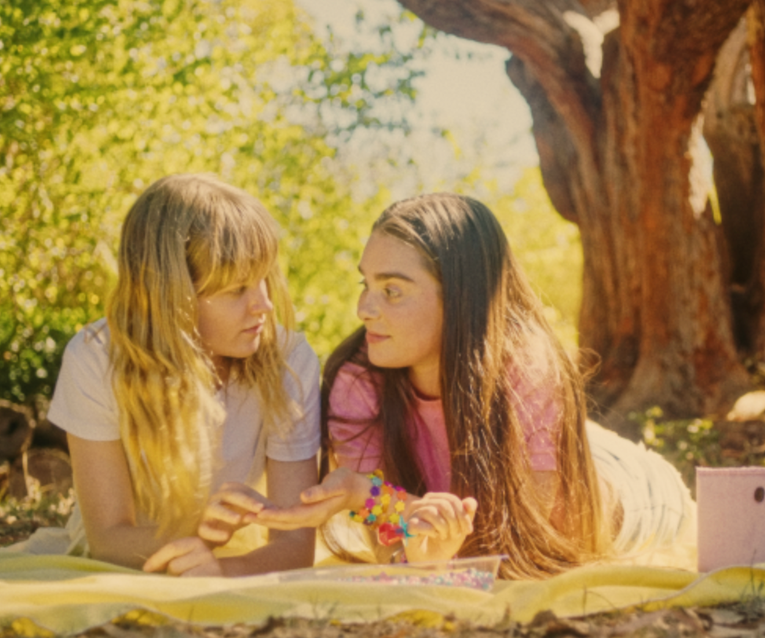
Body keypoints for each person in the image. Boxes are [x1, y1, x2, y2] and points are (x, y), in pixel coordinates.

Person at [254, 193, 696, 580]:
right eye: (365, 284)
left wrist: (375, 499)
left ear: (460, 297)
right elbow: (396, 555)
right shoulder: (359, 381)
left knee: (642, 479)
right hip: (515, 464)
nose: (364, 308)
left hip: (628, 492)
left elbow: (518, 550)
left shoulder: (526, 367)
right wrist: (417, 548)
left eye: (392, 290)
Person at [46, 174, 321, 576]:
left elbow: (294, 545)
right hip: (129, 561)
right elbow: (108, 540)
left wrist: (220, 572)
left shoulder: (290, 360)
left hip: (242, 560)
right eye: (237, 290)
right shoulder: (96, 358)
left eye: (263, 279)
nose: (263, 304)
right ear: (171, 296)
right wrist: (196, 531)